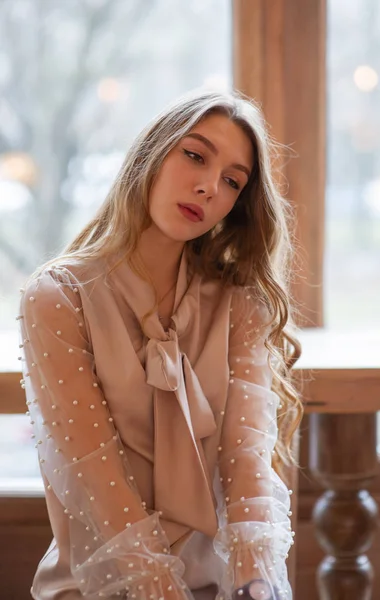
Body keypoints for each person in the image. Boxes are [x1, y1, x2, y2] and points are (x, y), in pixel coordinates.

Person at [17, 89, 303, 600]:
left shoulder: (240, 307)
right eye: (195, 155)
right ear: (153, 153)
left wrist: (256, 583)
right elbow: (100, 486)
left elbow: (246, 469)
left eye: (232, 181)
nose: (208, 187)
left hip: (220, 585)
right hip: (99, 587)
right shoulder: (58, 298)